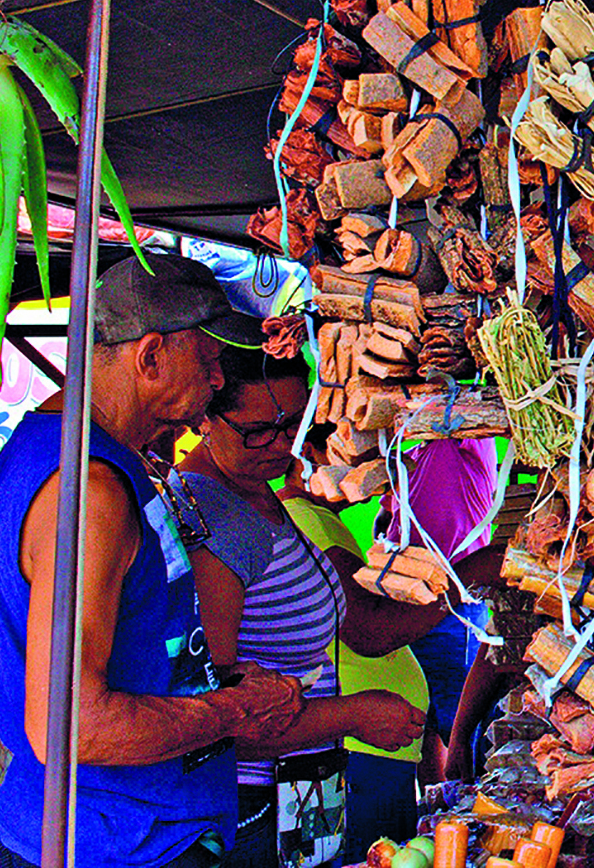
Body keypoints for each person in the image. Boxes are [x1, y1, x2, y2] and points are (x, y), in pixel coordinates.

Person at [0, 254, 306, 868]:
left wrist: (222, 686)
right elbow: (72, 723)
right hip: (113, 840)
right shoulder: (92, 489)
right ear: (149, 357)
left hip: (128, 827)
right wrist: (229, 712)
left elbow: (128, 657)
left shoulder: (76, 452)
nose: (215, 383)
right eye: (207, 363)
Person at [177, 349, 426, 867]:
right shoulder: (211, 521)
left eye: (293, 423)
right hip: (250, 807)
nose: (280, 445)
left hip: (299, 791)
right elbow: (214, 722)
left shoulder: (255, 492)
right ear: (204, 414)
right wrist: (353, 715)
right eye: (257, 430)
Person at [281, 452, 442, 864]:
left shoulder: (317, 518)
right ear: (311, 460)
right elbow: (369, 631)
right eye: (369, 460)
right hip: (359, 744)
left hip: (371, 744)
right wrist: (464, 581)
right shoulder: (306, 518)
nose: (381, 472)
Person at [375, 438, 497, 783]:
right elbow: (393, 510)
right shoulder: (411, 450)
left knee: (461, 728)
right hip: (409, 597)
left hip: (454, 606)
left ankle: (469, 814)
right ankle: (435, 816)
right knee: (421, 721)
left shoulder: (466, 437)